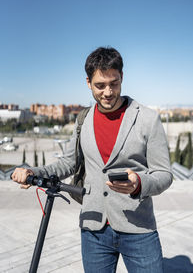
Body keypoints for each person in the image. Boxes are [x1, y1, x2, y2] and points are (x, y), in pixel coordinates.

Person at [12, 47, 173, 273]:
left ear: (122, 78)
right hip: (93, 228)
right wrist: (33, 173)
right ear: (88, 82)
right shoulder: (83, 120)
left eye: (114, 84)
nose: (108, 92)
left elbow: (164, 174)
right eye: (100, 85)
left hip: (138, 229)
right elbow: (68, 163)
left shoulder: (147, 118)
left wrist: (139, 183)